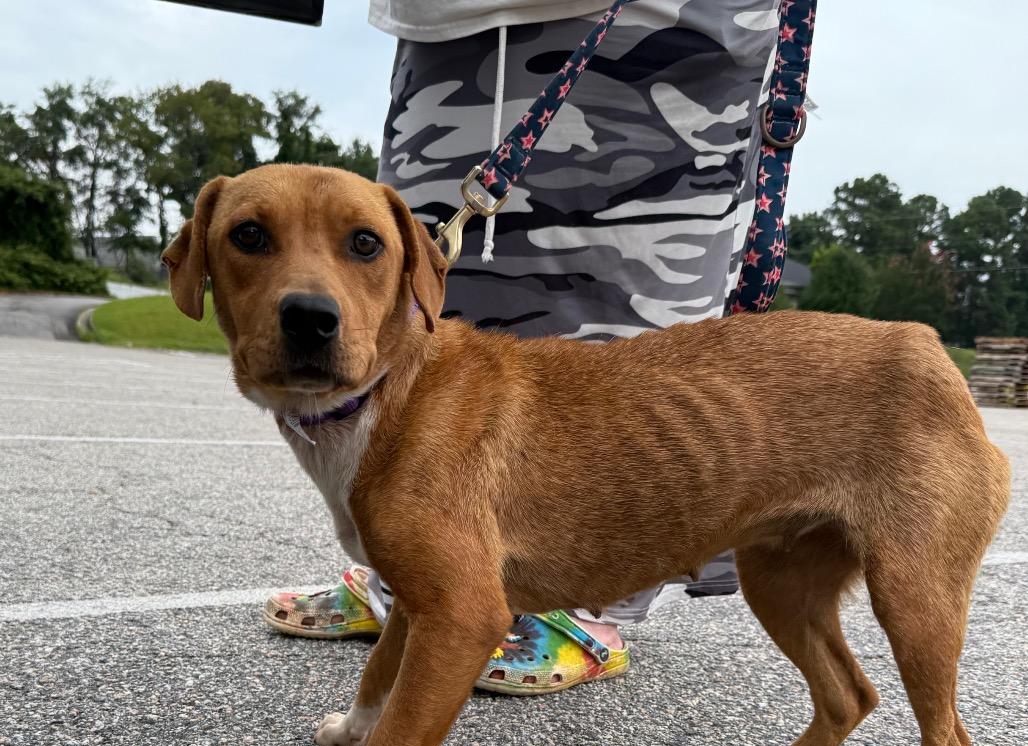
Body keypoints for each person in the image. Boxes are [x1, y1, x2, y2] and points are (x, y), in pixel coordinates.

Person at [265, 0, 783, 695]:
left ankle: (584, 607)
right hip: (444, 28)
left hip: (659, 31)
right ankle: (416, 571)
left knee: (619, 320)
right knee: (418, 312)